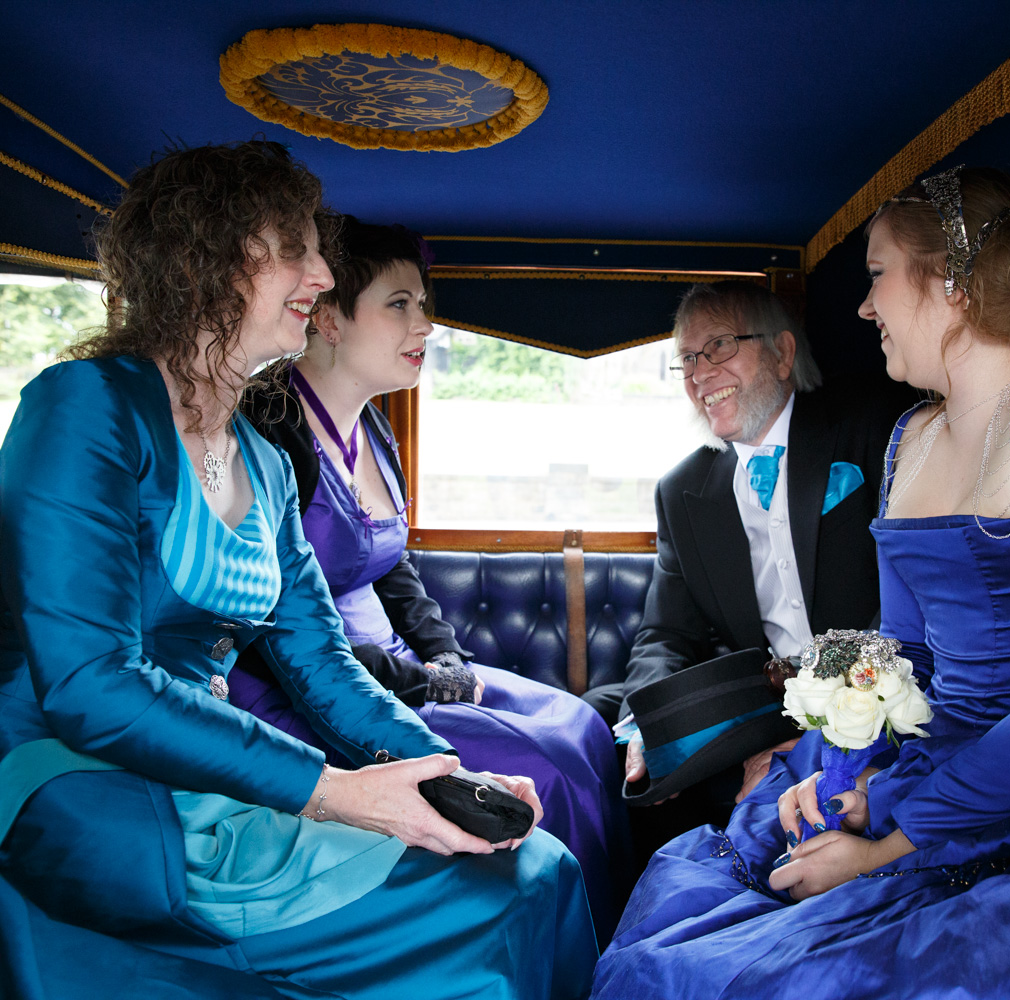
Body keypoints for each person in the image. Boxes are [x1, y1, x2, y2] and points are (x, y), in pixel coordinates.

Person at [589, 166, 1010, 999]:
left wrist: (891, 845)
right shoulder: (915, 434)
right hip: (931, 756)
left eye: (877, 274)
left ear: (953, 282)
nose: (866, 308)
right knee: (669, 942)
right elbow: (901, 655)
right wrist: (842, 771)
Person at [0, 140, 596, 1000]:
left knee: (539, 867)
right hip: (82, 780)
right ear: (203, 258)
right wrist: (335, 793)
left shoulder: (267, 462)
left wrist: (445, 773)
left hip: (215, 773)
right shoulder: (86, 407)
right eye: (294, 248)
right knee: (499, 893)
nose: (321, 274)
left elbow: (321, 662)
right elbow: (88, 685)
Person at [233, 214, 629, 940]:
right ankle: (567, 951)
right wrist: (424, 683)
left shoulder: (374, 427)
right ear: (328, 318)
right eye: (399, 304)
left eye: (424, 304)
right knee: (546, 766)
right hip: (304, 688)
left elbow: (393, 566)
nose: (426, 324)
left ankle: (612, 938)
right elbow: (277, 627)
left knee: (581, 726)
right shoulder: (269, 427)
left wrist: (446, 658)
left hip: (401, 667)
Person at [584, 280, 894, 830]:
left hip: (873, 688)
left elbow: (905, 600)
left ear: (782, 353)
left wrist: (820, 732)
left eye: (720, 346)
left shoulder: (871, 428)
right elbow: (666, 633)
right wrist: (647, 726)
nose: (700, 374)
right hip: (762, 702)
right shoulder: (682, 489)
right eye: (687, 359)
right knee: (597, 724)